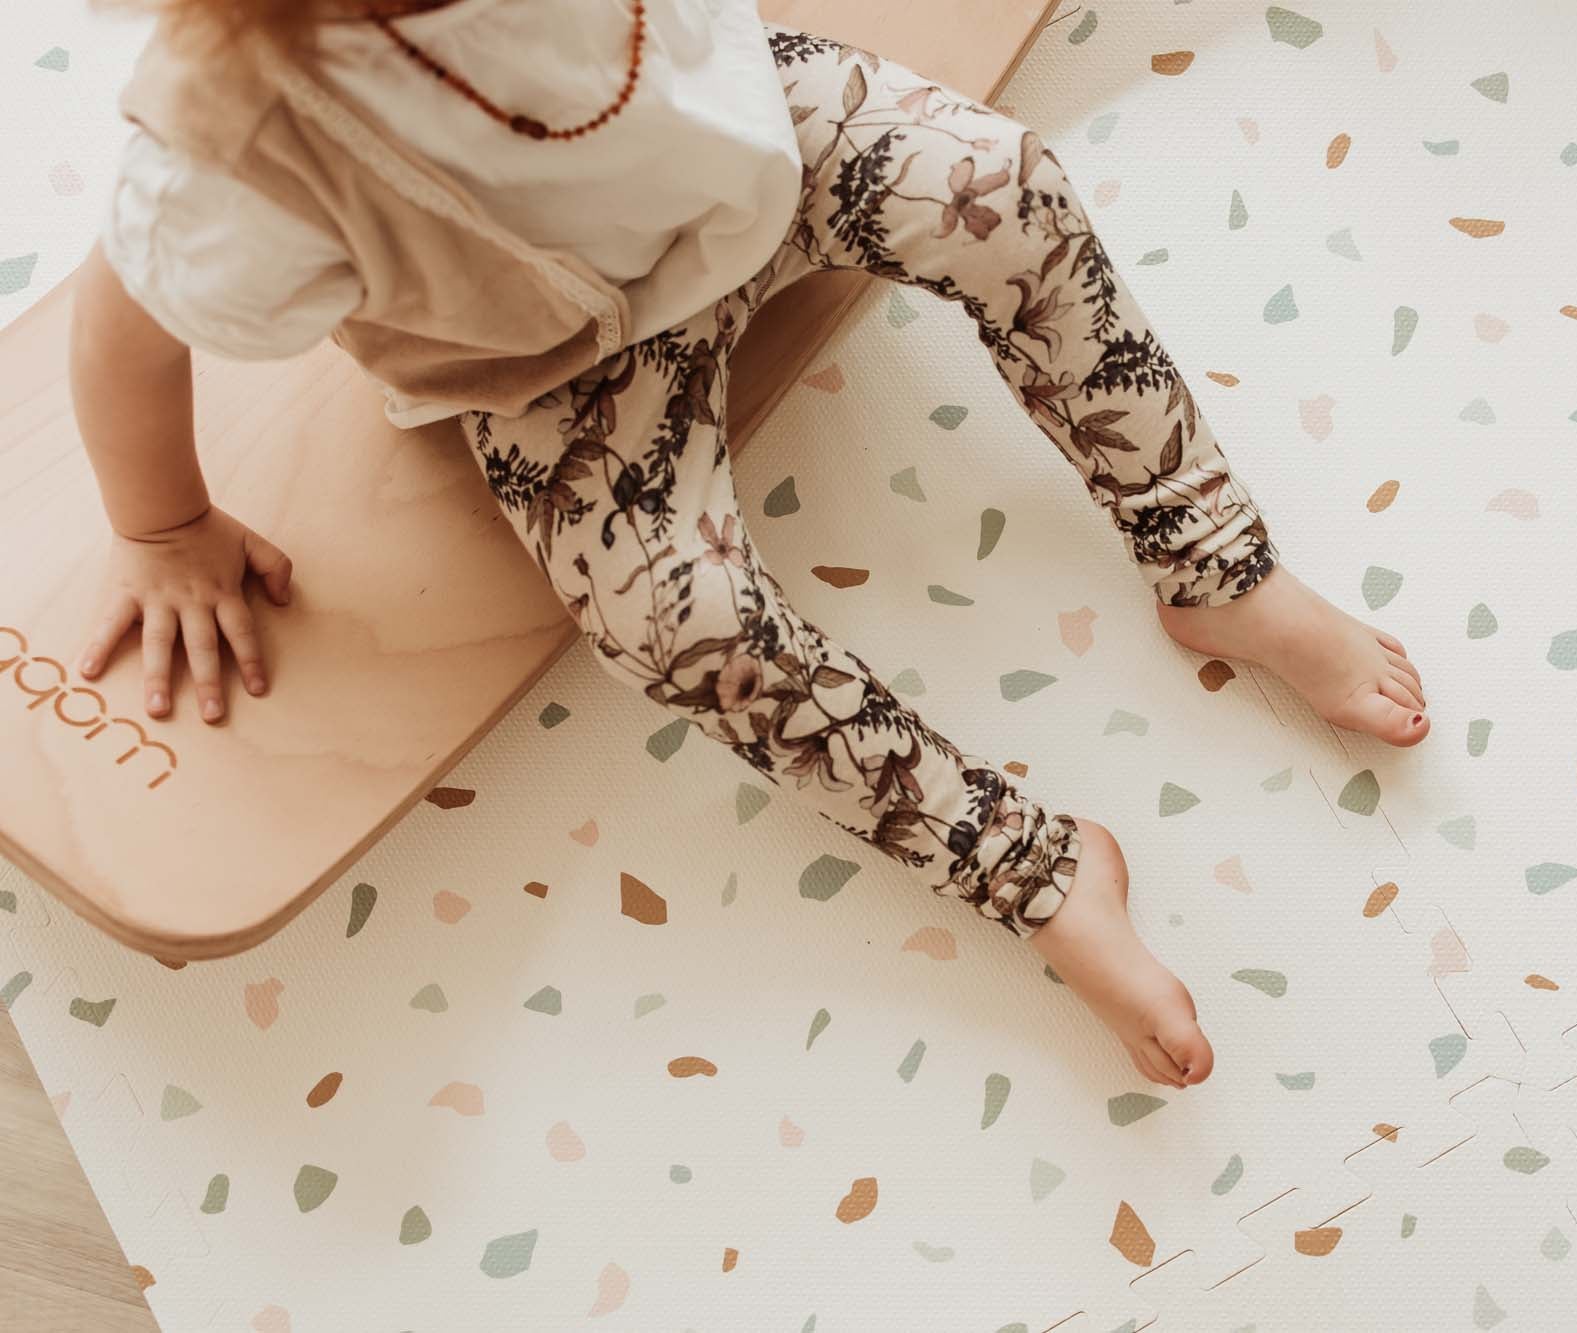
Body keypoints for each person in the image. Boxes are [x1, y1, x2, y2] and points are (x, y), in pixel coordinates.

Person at [68, 0, 1430, 1088]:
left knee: (1004, 184)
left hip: (761, 151)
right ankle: (1032, 868)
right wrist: (165, 522)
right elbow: (125, 318)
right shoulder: (233, 140)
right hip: (555, 364)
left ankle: (1212, 561)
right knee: (674, 624)